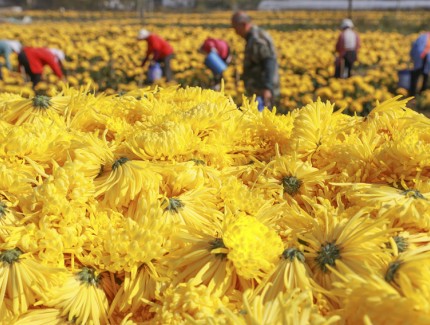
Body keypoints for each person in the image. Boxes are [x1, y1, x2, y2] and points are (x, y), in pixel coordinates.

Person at [231, 11, 280, 111]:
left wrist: (267, 87)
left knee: (264, 121)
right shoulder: (253, 36)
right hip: (259, 88)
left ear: (244, 24)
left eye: (236, 28)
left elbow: (269, 61)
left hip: (262, 90)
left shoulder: (256, 39)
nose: (235, 32)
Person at [409, 32, 430, 96]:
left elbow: (414, 48)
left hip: (425, 60)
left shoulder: (423, 36)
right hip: (421, 59)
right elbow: (416, 48)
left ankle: (419, 93)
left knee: (423, 77)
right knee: (418, 76)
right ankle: (414, 93)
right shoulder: (423, 37)